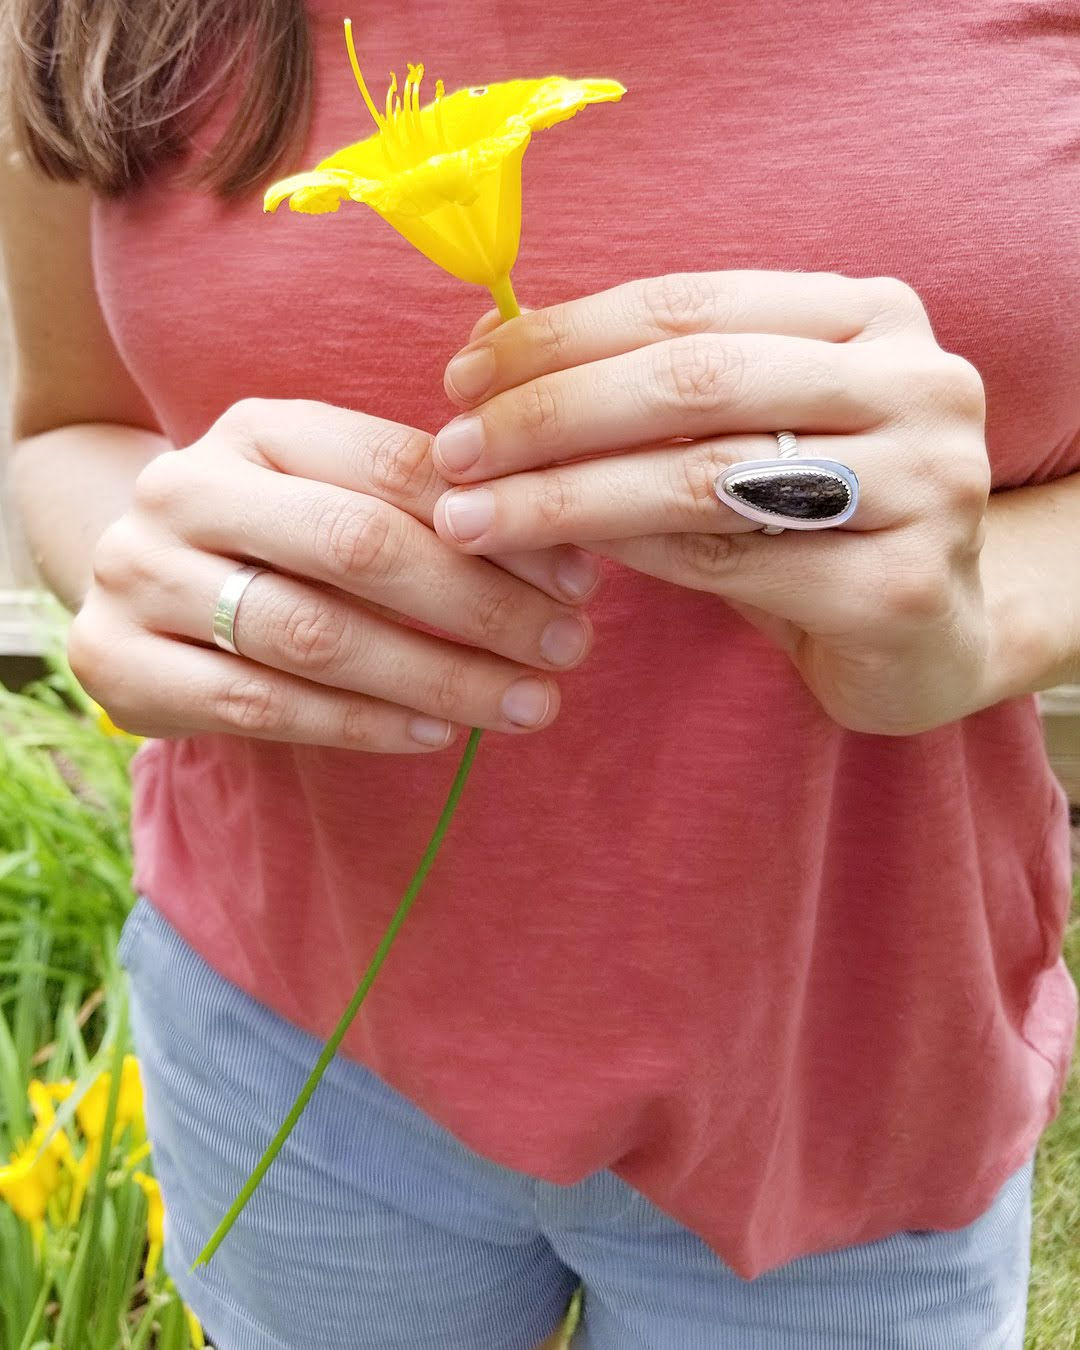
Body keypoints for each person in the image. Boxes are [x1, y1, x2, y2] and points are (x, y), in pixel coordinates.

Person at [2, 0, 1077, 1345]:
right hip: (288, 1032)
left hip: (840, 1074)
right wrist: (164, 571)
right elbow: (67, 426)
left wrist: (991, 618)